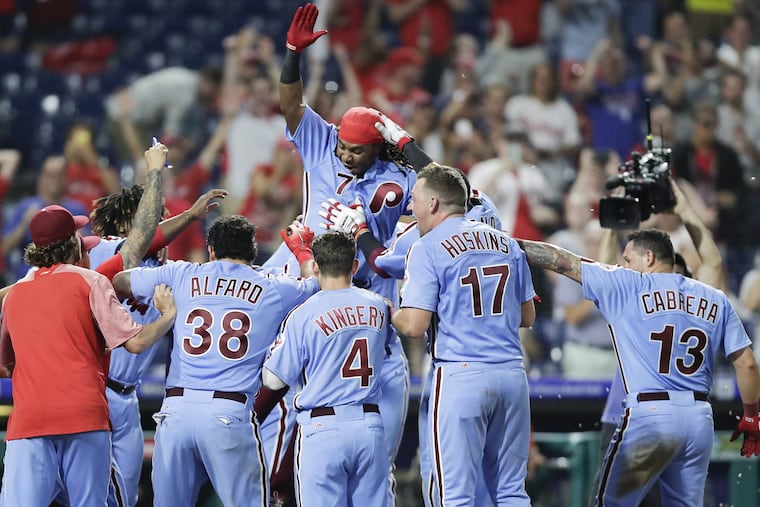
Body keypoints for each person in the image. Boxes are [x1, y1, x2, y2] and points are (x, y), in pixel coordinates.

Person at [519, 229, 760, 505]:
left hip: (650, 415)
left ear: (648, 257)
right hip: (698, 418)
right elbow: (748, 364)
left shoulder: (629, 284)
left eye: (627, 258)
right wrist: (751, 417)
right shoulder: (715, 298)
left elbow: (560, 260)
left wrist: (511, 245)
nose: (623, 265)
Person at [0, 154, 177, 505]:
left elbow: (6, 365)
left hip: (29, 420)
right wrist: (167, 317)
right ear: (71, 243)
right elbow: (138, 342)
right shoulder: (91, 282)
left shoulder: (14, 294)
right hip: (85, 416)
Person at [112, 214, 319, 507]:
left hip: (176, 413)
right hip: (229, 412)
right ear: (252, 251)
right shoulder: (273, 287)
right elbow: (317, 282)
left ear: (211, 250)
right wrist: (301, 250)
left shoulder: (181, 274)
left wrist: (157, 302)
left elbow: (120, 281)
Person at [392, 164, 536, 505]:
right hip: (512, 375)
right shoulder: (507, 243)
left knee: (453, 495)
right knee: (512, 492)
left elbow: (414, 326)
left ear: (434, 204)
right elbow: (527, 316)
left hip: (461, 374)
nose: (411, 208)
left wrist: (389, 312)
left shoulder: (427, 247)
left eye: (415, 200)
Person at [88, 184, 227, 507]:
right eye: (152, 221)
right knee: (87, 494)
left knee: (126, 495)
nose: (156, 227)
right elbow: (140, 241)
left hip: (128, 396)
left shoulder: (160, 272)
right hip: (96, 389)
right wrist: (190, 216)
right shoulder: (102, 251)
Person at [261, 230, 392, 507]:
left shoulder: (304, 313)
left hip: (323, 428)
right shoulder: (378, 306)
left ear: (316, 267)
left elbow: (273, 381)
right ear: (354, 266)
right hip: (369, 426)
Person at [2, 155, 90, 282]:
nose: (54, 180)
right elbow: (5, 248)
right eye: (50, 175)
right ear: (41, 178)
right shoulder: (26, 208)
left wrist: (78, 234)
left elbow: (91, 247)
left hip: (67, 278)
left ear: (66, 178)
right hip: (28, 278)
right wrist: (23, 225)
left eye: (58, 175)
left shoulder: (77, 209)